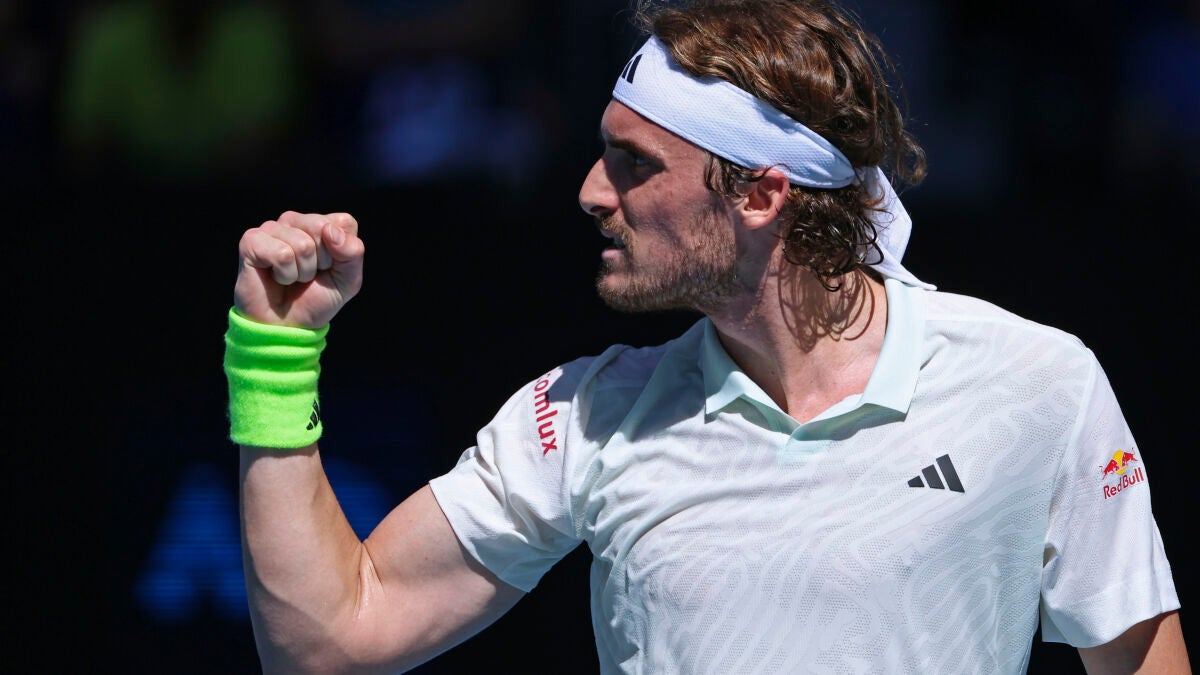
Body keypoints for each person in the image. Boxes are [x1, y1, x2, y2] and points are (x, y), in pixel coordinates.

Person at [223, 0, 1191, 672]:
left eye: (634, 164)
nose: (590, 192)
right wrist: (273, 355)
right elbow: (331, 641)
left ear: (761, 194)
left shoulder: (1038, 381)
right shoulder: (582, 415)